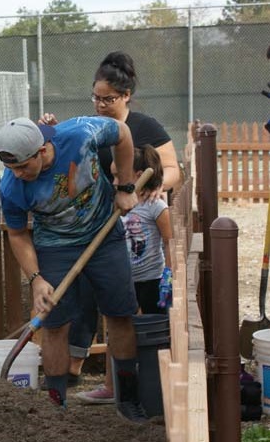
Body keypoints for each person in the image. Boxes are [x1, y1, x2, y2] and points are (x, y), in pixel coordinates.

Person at [40, 50, 182, 396]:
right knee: (81, 302)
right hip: (91, 226)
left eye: (109, 99)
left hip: (127, 228)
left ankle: (123, 386)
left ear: (127, 95)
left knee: (122, 312)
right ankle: (75, 373)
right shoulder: (92, 128)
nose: (100, 105)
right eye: (96, 98)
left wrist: (150, 188)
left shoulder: (146, 127)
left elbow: (174, 169)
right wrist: (53, 134)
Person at [0, 115, 148, 423]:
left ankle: (129, 398)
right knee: (54, 325)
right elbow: (17, 234)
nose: (18, 174)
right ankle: (56, 405)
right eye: (12, 168)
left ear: (42, 150)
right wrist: (36, 279)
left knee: (120, 315)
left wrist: (126, 184)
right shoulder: (11, 187)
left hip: (104, 234)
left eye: (23, 166)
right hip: (54, 245)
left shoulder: (81, 134)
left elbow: (123, 133)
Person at [75, 144, 173, 405]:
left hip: (150, 280)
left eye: (119, 177)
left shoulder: (155, 205)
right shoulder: (112, 203)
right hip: (121, 278)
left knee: (156, 334)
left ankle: (158, 386)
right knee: (117, 331)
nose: (114, 181)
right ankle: (111, 385)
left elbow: (169, 240)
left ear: (138, 174)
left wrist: (169, 274)